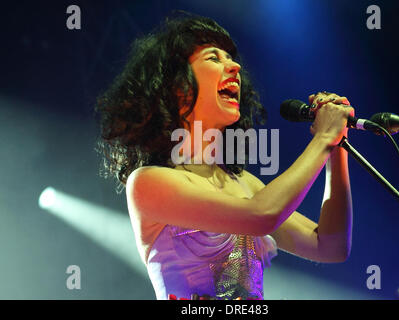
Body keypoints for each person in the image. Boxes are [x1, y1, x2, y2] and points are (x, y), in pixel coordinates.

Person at [95, 12, 353, 300]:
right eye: (214, 58)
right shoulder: (148, 183)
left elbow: (331, 246)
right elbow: (261, 215)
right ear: (176, 86)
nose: (235, 66)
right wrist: (323, 137)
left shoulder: (245, 184)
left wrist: (336, 145)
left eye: (230, 58)